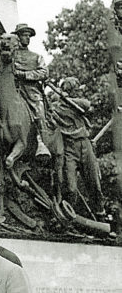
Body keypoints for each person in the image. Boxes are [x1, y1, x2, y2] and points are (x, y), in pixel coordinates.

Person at [48, 77, 106, 218]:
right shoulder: (57, 107)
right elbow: (51, 106)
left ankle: (101, 214)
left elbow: (86, 104)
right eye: (75, 90)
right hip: (69, 148)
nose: (78, 93)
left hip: (85, 145)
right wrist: (60, 98)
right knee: (71, 188)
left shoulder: (77, 104)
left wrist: (67, 99)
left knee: (95, 184)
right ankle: (69, 217)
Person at [12, 23, 51, 157]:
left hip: (31, 92)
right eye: (24, 35)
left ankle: (42, 142)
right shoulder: (11, 55)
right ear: (18, 37)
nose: (27, 38)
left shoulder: (36, 56)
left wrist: (25, 75)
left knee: (39, 113)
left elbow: (44, 72)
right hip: (14, 88)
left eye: (29, 36)